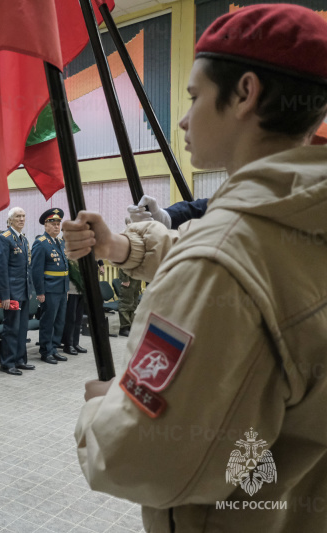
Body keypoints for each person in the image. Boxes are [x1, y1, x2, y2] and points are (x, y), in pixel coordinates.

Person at [64, 6, 327, 532]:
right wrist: (120, 246)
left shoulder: (224, 257)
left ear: (245, 93)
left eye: (193, 97)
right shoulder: (300, 215)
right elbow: (231, 258)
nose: (183, 119)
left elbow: (140, 460)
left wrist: (102, 409)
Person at [0, 207, 33, 375]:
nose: (21, 219)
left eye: (23, 216)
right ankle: (8, 362)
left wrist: (29, 289)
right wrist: (5, 295)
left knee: (22, 328)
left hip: (23, 291)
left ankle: (20, 359)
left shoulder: (23, 239)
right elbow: (1, 269)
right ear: (10, 220)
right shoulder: (4, 238)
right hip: (12, 292)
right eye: (18, 216)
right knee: (11, 328)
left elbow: (27, 268)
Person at [31, 208, 69, 364]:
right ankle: (46, 351)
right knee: (48, 321)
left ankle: (54, 347)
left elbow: (65, 267)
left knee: (59, 321)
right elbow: (36, 270)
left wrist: (66, 289)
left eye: (58, 223)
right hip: (49, 289)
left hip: (61, 288)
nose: (56, 226)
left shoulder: (60, 242)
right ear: (45, 225)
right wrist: (40, 291)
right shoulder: (41, 243)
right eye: (53, 223)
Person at [117, 268, 141, 337]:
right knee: (125, 303)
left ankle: (130, 326)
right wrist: (125, 279)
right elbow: (123, 265)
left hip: (137, 278)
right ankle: (124, 328)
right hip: (129, 278)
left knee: (133, 304)